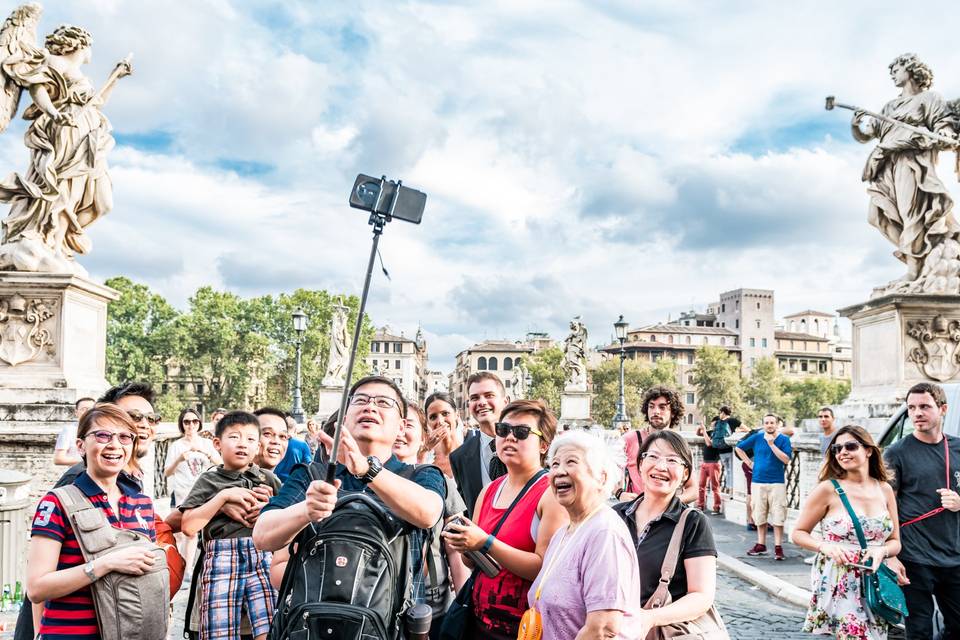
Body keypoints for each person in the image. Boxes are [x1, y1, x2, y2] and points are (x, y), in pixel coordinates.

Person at [253, 375, 445, 554]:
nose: (370, 407)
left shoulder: (422, 474)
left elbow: (428, 513)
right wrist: (306, 510)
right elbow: (262, 536)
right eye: (361, 400)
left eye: (384, 402)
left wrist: (367, 469)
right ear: (345, 419)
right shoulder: (312, 475)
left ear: (401, 427)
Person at [27, 403, 158, 640]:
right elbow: (36, 588)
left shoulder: (143, 503)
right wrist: (105, 564)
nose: (114, 445)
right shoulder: (57, 503)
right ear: (81, 446)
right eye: (102, 435)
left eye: (124, 437)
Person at [443, 399, 568, 640]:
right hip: (479, 621)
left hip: (524, 629)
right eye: (503, 430)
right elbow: (472, 564)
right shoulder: (489, 490)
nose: (509, 437)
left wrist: (485, 542)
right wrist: (465, 546)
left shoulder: (550, 492)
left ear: (543, 445)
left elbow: (544, 568)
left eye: (521, 432)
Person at [528, 430, 641, 639]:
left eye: (571, 462)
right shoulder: (563, 532)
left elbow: (602, 628)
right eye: (554, 464)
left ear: (601, 477)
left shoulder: (605, 533)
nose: (559, 471)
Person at [791, 425, 901, 640]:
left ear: (868, 450)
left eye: (850, 446)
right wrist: (825, 546)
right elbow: (798, 532)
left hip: (875, 580)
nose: (842, 452)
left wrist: (882, 552)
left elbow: (895, 541)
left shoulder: (884, 489)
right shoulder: (828, 489)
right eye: (837, 448)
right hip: (841, 577)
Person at [180, 411, 281, 640]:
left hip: (260, 552)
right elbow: (188, 526)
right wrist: (221, 498)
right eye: (234, 437)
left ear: (258, 447)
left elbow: (289, 517)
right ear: (217, 443)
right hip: (221, 556)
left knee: (271, 626)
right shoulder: (209, 480)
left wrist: (269, 508)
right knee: (219, 630)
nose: (242, 444)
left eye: (250, 439)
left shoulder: (268, 480)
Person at [613, 430, 719, 638]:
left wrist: (650, 618)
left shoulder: (693, 523)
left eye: (672, 460)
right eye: (652, 456)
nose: (660, 466)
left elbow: (702, 596)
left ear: (685, 474)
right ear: (640, 465)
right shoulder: (615, 516)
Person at [883, 382, 960, 638]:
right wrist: (891, 555)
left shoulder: (958, 448)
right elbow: (885, 506)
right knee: (919, 630)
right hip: (915, 558)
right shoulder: (896, 453)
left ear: (943, 409)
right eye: (912, 408)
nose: (917, 413)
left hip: (954, 556)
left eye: (925, 406)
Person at [394, 400, 468, 638]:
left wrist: (465, 607)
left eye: (408, 425)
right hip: (376, 603)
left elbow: (455, 548)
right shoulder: (363, 481)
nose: (400, 432)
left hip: (433, 607)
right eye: (395, 423)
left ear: (423, 435)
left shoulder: (441, 482)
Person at [164, 408, 220, 578]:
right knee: (180, 534)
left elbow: (220, 464)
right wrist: (179, 459)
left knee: (193, 532)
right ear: (182, 424)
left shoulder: (206, 443)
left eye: (194, 421)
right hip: (182, 493)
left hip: (203, 493)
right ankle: (179, 567)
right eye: (187, 422)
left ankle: (187, 569)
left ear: (199, 423)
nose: (191, 425)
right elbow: (167, 472)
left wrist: (205, 452)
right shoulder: (176, 445)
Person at [619, 386, 696, 503]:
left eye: (662, 407)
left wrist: (669, 506)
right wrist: (619, 493)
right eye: (651, 406)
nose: (656, 411)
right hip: (636, 513)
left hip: (668, 518)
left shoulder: (680, 445)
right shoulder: (629, 439)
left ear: (673, 412)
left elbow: (693, 490)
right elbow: (605, 473)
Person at [449, 372, 510, 514]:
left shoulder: (524, 444)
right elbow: (465, 508)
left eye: (489, 395)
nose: (481, 402)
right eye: (474, 398)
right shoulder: (459, 457)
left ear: (505, 401)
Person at [736, 414, 792, 560]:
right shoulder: (757, 437)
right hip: (758, 481)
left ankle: (778, 547)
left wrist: (772, 444)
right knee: (759, 514)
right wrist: (748, 462)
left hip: (776, 482)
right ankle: (761, 544)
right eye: (766, 423)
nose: (769, 425)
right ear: (763, 425)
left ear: (777, 424)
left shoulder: (784, 440)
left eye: (772, 423)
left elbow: (786, 460)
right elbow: (739, 448)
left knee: (778, 514)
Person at [423, 391, 465, 478]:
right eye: (433, 417)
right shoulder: (425, 455)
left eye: (445, 413)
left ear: (457, 415)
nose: (440, 421)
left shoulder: (471, 450)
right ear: (427, 421)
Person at [268, 409, 313, 483]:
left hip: (273, 481)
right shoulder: (302, 444)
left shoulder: (273, 442)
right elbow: (308, 466)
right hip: (294, 483)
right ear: (295, 430)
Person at [53, 397, 95, 466]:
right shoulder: (69, 430)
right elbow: (58, 459)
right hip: (78, 473)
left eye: (91, 409)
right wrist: (88, 463)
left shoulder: (102, 429)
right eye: (84, 409)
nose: (88, 412)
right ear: (76, 412)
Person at [696, 419, 723, 515]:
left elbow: (709, 443)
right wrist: (701, 427)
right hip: (705, 463)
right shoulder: (710, 432)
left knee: (715, 487)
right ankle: (701, 505)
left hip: (714, 463)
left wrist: (704, 430)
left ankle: (717, 507)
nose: (712, 427)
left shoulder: (719, 435)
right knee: (701, 486)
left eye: (714, 425)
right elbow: (698, 434)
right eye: (711, 425)